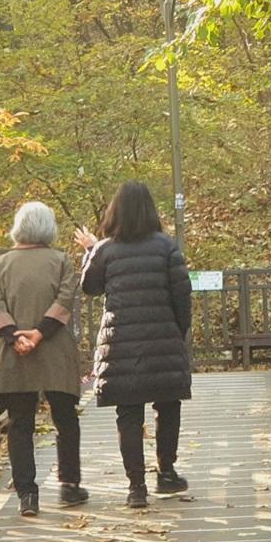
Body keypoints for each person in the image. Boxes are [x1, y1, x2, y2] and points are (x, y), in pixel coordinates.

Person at [76, 181, 192, 508]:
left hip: (121, 344)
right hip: (163, 340)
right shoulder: (167, 247)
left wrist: (90, 250)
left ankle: (136, 487)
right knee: (168, 406)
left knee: (129, 414)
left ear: (116, 211)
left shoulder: (106, 250)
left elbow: (90, 287)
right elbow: (182, 296)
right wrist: (178, 333)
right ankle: (167, 472)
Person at [0, 201, 88, 518]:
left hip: (14, 353)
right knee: (65, 418)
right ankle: (70, 485)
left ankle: (27, 494)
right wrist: (40, 333)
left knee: (20, 423)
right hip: (55, 349)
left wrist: (15, 336)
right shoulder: (60, 260)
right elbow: (66, 298)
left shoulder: (1, 264)